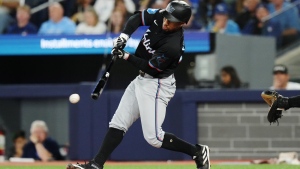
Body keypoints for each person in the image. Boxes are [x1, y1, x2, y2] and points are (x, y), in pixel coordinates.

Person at [67, 1, 210, 169]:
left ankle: (197, 152)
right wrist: (123, 37)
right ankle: (96, 165)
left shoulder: (173, 46)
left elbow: (150, 67)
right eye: (167, 17)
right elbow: (137, 18)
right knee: (118, 123)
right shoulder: (162, 16)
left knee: (154, 138)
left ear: (181, 24)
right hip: (142, 80)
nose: (166, 21)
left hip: (158, 84)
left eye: (171, 20)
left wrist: (125, 56)